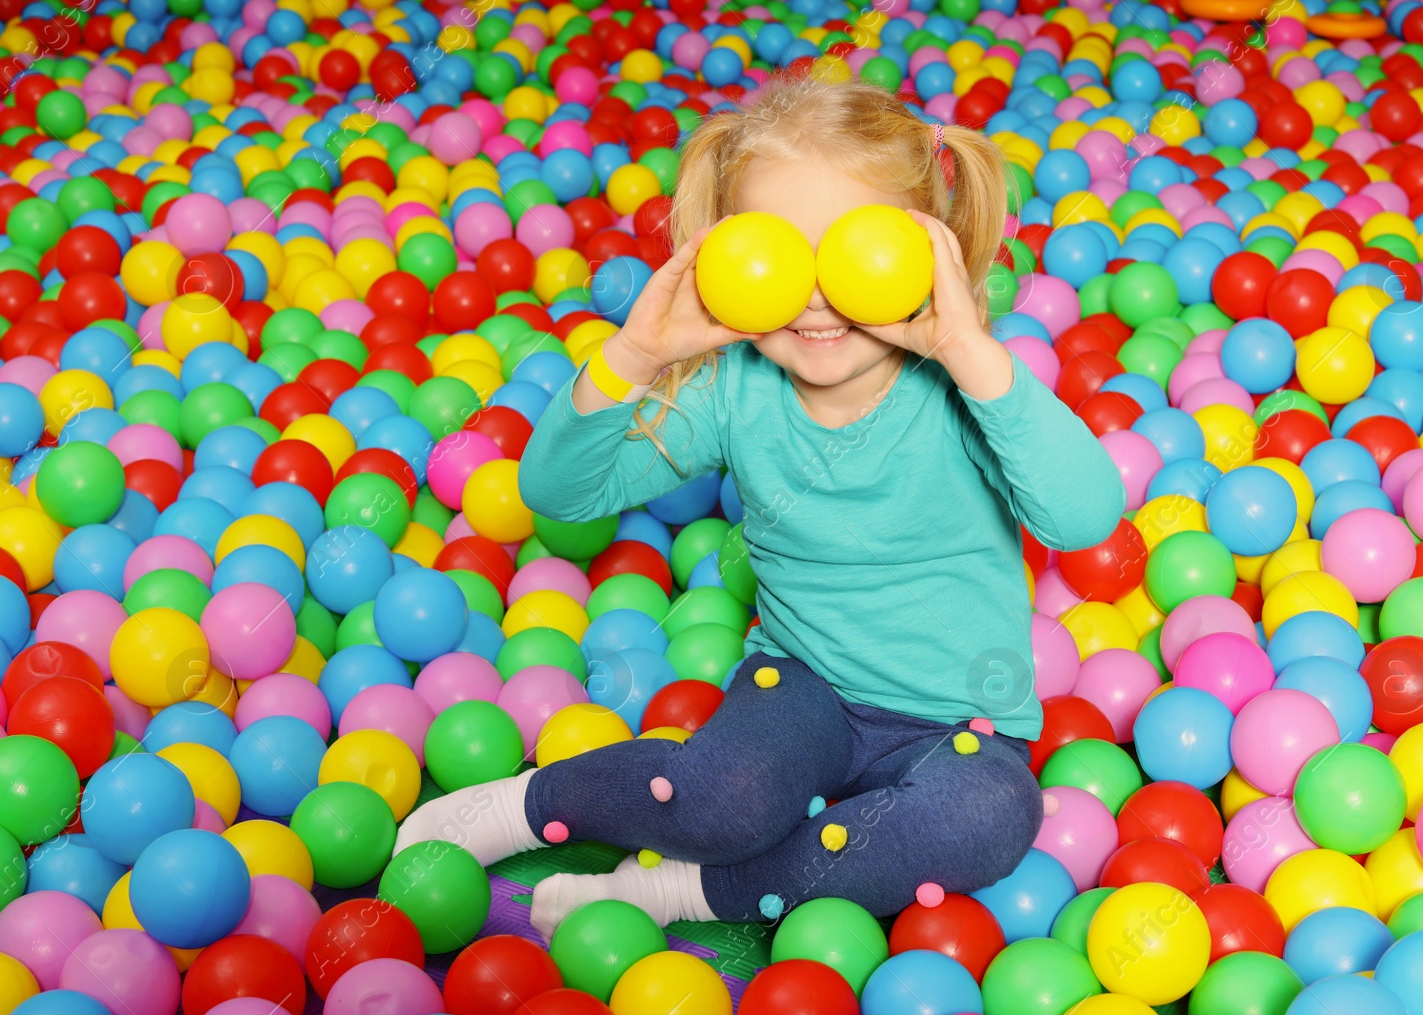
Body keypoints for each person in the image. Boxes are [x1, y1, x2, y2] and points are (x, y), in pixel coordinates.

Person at [394, 78, 1125, 938]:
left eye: (854, 255)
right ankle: (535, 803)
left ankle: (688, 892)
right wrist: (632, 352)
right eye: (775, 258)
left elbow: (1084, 517)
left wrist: (969, 349)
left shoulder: (964, 391)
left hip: (960, 724)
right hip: (803, 689)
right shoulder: (737, 388)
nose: (816, 298)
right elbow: (560, 492)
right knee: (728, 796)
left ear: (922, 254)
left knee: (991, 815)